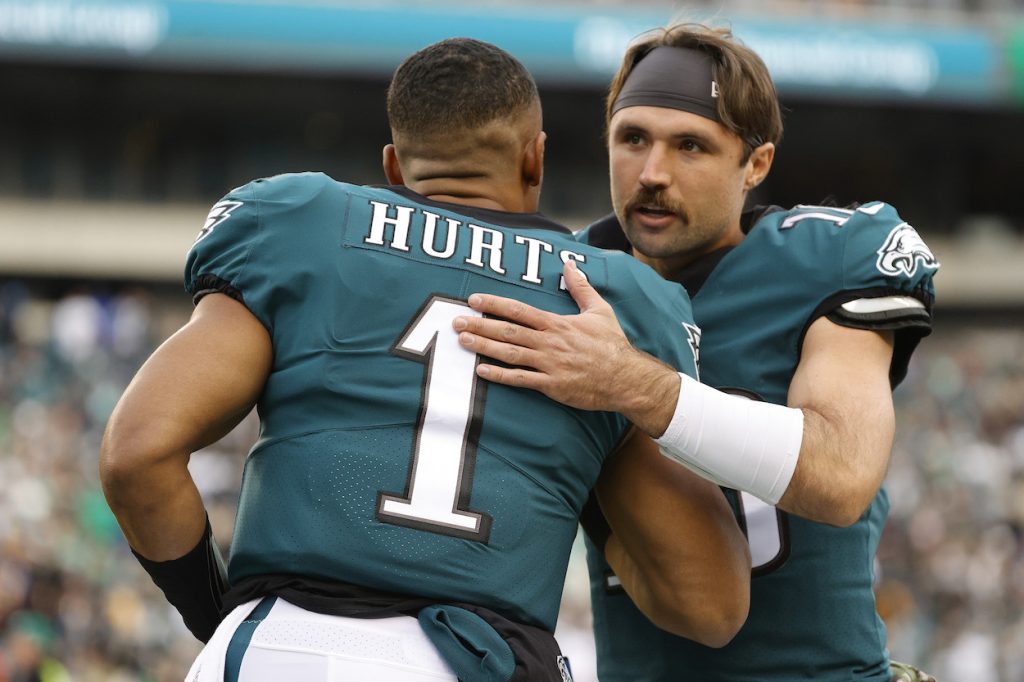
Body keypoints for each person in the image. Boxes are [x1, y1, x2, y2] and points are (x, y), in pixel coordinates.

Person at [99, 37, 753, 682]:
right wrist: (574, 465)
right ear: (535, 159)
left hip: (279, 640)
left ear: (392, 168)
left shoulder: (300, 224)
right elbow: (712, 604)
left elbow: (137, 452)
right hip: (479, 654)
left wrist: (215, 613)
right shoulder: (614, 297)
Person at [451, 24, 940, 682]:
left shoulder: (826, 259)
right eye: (633, 139)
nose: (653, 174)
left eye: (691, 146)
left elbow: (841, 475)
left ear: (755, 165)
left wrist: (632, 386)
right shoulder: (563, 281)